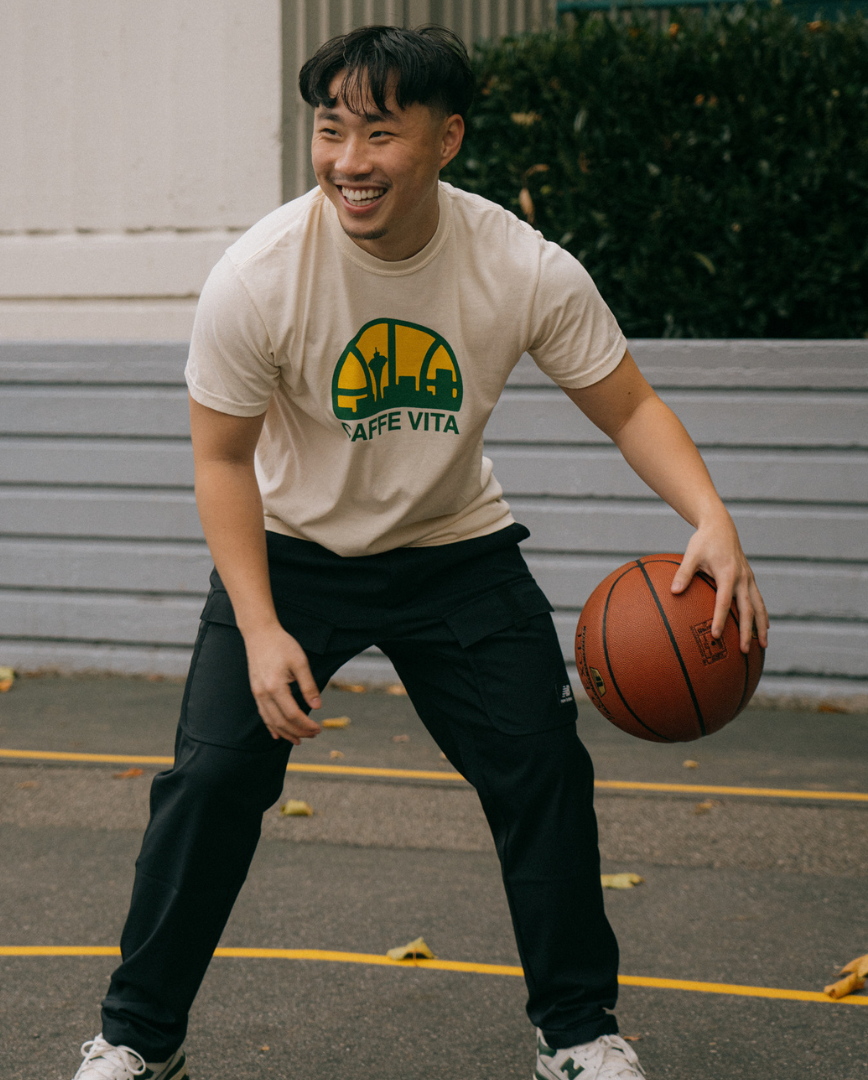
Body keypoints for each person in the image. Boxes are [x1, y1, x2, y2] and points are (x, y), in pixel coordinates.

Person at [70, 24, 768, 1080]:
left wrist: (711, 515)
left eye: (380, 133)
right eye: (331, 129)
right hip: (293, 552)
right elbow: (222, 463)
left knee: (540, 771)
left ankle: (578, 1033)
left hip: (455, 550)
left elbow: (628, 406)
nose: (349, 160)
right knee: (211, 784)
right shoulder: (258, 277)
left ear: (446, 140)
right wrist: (260, 630)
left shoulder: (520, 265)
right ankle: (135, 1040)